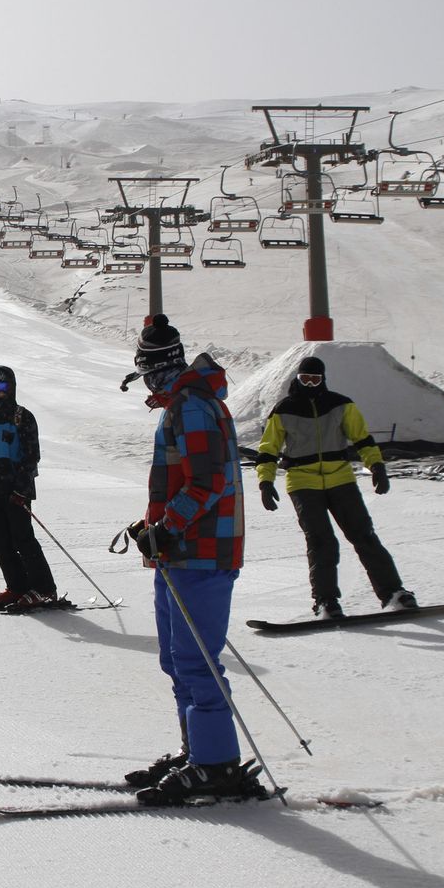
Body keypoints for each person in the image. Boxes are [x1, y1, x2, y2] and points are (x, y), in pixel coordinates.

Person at [122, 315, 262, 805]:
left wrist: (168, 527)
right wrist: (153, 527)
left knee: (198, 662)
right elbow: (185, 481)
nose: (147, 385)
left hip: (201, 552)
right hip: (180, 552)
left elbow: (208, 481)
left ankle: (216, 765)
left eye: (147, 375)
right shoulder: (183, 406)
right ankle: (197, 751)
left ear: (159, 369)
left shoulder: (193, 408)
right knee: (177, 659)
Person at [255, 355, 415, 619]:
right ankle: (325, 602)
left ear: (323, 380)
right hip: (303, 481)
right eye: (305, 379)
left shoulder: (341, 405)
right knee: (322, 542)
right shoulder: (283, 410)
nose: (309, 384)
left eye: (314, 379)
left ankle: (393, 593)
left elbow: (362, 438)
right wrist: (265, 481)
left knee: (364, 535)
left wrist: (377, 466)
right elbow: (268, 449)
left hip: (340, 478)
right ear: (297, 379)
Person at [0, 365, 59, 613]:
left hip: (17, 492)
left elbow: (31, 457)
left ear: (13, 387)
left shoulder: (22, 417)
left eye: (4, 386)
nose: (0, 391)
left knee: (23, 539)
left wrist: (21, 488)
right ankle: (18, 587)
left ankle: (44, 589)